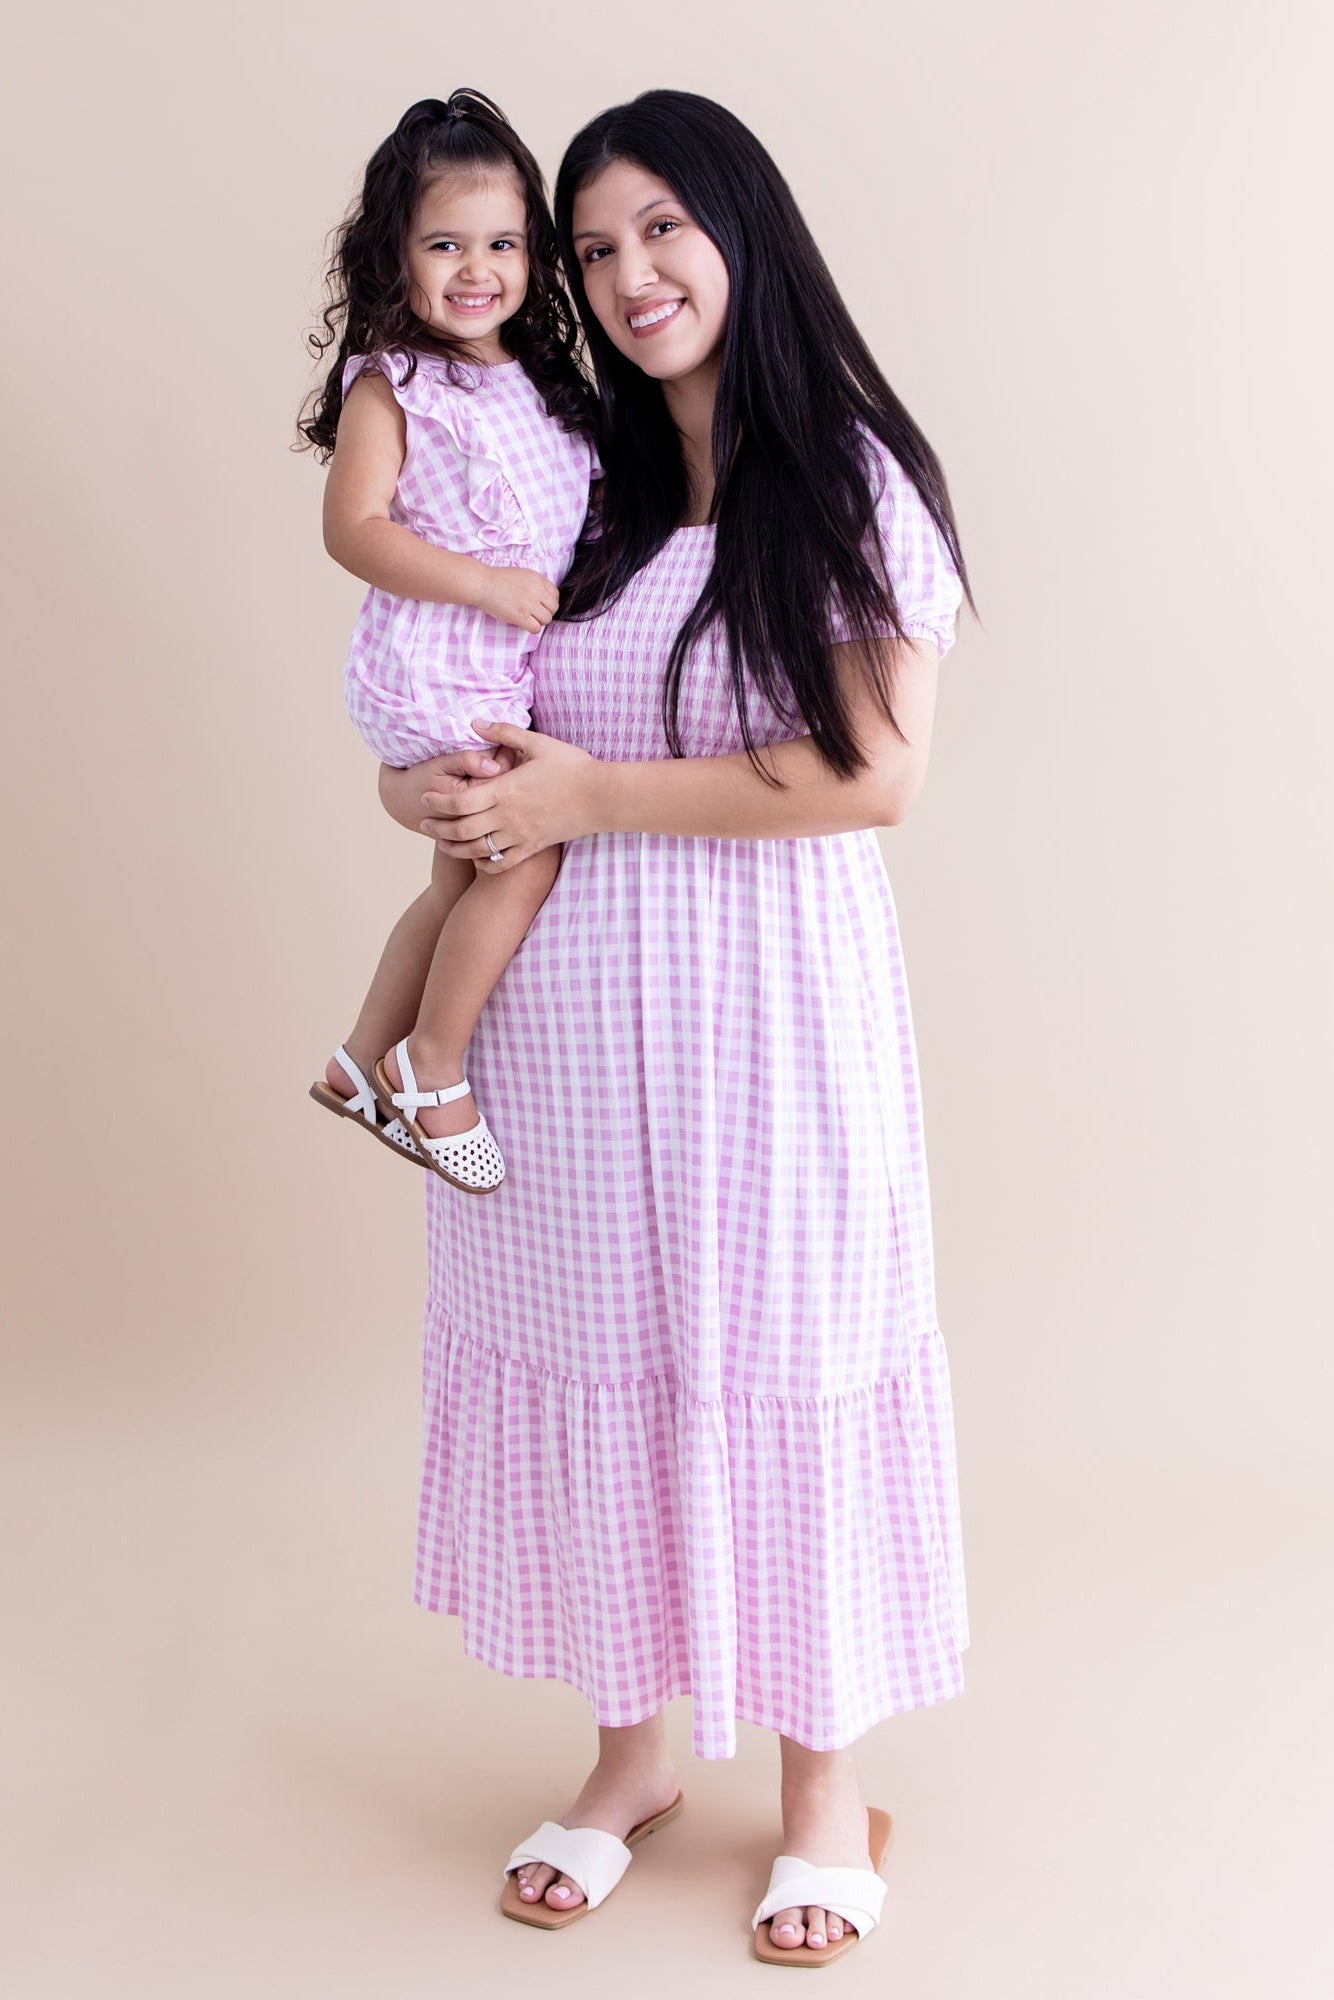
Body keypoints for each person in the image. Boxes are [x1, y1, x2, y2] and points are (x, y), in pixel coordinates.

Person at [377, 89, 972, 1964]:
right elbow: (473, 727)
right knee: (611, 1358)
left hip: (768, 1028)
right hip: (568, 1031)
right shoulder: (587, 489)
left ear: (740, 229)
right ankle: (629, 1756)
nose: (626, 276)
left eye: (659, 229)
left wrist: (589, 801)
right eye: (591, 246)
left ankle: (819, 1791)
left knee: (778, 1356)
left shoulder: (853, 473)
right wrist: (444, 804)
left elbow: (870, 777)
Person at [300, 92, 599, 1190]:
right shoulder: (396, 381)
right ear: (396, 254)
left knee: (455, 886)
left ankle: (354, 1062)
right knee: (529, 853)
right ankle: (433, 1062)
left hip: (494, 671)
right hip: (437, 666)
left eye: (502, 243)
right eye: (444, 244)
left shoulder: (534, 382)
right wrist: (481, 584)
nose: (476, 269)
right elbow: (352, 528)